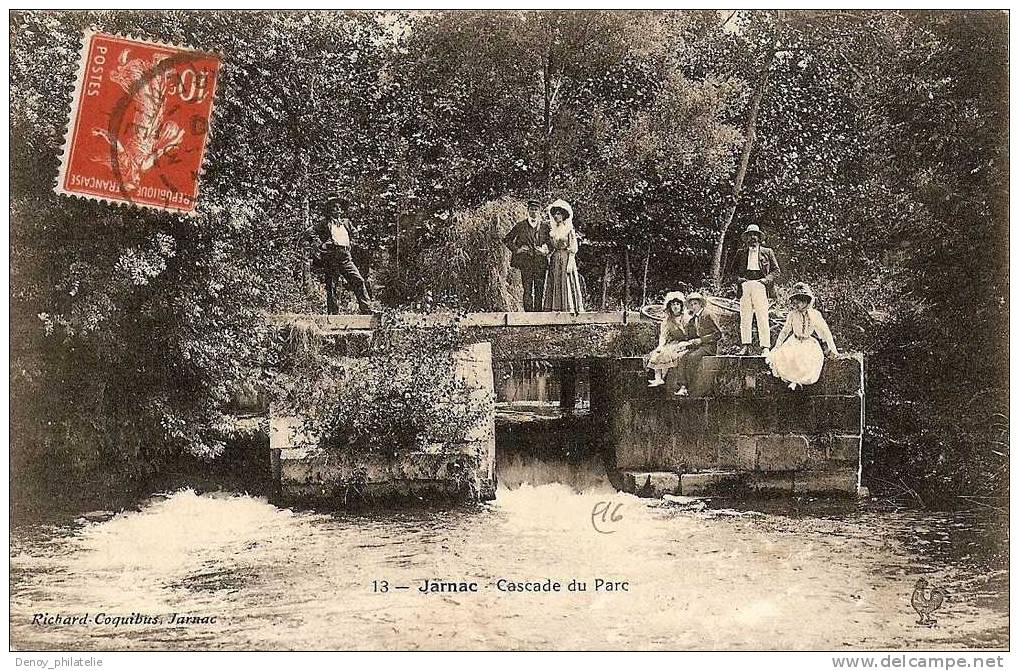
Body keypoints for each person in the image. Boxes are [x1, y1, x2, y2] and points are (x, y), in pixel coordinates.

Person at [306, 196, 378, 315]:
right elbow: (309, 232)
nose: (338, 210)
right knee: (333, 285)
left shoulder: (346, 222)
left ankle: (367, 309)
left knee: (358, 280)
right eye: (334, 208)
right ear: (329, 211)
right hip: (331, 256)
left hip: (345, 256)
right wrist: (320, 244)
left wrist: (351, 244)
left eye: (339, 208)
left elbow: (355, 234)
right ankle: (333, 315)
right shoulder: (324, 223)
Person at [765, 282, 840, 389]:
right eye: (794, 302)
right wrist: (777, 345)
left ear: (806, 301)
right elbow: (785, 331)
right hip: (794, 341)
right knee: (787, 357)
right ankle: (791, 381)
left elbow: (825, 332)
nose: (796, 305)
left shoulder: (815, 314)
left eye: (799, 302)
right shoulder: (792, 314)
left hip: (808, 342)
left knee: (809, 359)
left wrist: (833, 349)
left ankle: (799, 382)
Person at [726, 223, 781, 355]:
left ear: (759, 238)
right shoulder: (741, 253)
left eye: (755, 235)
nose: (753, 238)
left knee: (762, 316)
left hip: (760, 285)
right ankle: (745, 345)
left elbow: (776, 271)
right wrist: (739, 280)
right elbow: (731, 272)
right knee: (745, 316)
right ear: (746, 238)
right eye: (750, 235)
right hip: (745, 286)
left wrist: (766, 280)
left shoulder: (767, 252)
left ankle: (765, 347)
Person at [502, 199, 551, 312]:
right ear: (528, 211)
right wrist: (517, 250)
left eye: (536, 210)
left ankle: (538, 313)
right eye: (532, 210)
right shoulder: (521, 225)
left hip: (540, 262)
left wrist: (545, 250)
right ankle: (528, 314)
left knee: (539, 288)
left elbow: (551, 243)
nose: (534, 212)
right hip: (526, 262)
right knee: (527, 288)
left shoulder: (545, 227)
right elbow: (507, 239)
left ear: (539, 212)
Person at [672, 292, 723, 397]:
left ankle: (691, 388)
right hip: (698, 346)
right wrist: (686, 343)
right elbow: (691, 337)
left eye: (695, 304)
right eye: (691, 304)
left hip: (709, 347)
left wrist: (702, 340)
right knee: (683, 357)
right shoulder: (692, 320)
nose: (693, 307)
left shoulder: (708, 315)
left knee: (692, 357)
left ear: (700, 304)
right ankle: (683, 387)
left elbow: (718, 334)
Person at [542, 199, 585, 313]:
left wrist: (570, 260)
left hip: (566, 257)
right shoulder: (553, 230)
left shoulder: (569, 229)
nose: (556, 216)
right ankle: (554, 309)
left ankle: (569, 308)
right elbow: (551, 247)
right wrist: (545, 250)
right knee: (555, 281)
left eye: (559, 214)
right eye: (555, 214)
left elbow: (573, 246)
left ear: (564, 215)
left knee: (566, 280)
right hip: (555, 258)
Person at [645, 291, 689, 387]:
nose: (676, 307)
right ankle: (658, 378)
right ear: (670, 307)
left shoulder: (686, 318)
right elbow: (663, 336)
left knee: (671, 353)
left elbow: (692, 333)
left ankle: (666, 378)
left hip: (685, 343)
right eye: (673, 304)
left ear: (682, 306)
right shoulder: (667, 321)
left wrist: (687, 343)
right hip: (673, 343)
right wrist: (660, 346)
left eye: (678, 304)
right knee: (659, 352)